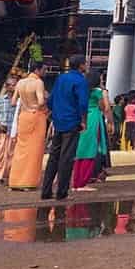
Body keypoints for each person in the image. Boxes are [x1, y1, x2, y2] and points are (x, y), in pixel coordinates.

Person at [41, 55, 90, 201]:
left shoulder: (61, 78)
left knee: (54, 156)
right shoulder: (81, 80)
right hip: (72, 121)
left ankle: (46, 190)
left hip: (59, 120)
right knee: (67, 157)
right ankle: (62, 192)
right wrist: (83, 121)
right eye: (85, 64)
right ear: (81, 65)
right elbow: (82, 103)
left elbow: (51, 100)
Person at [9, 61, 47, 191]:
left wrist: (26, 106)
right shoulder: (38, 83)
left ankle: (15, 181)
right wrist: (35, 106)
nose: (45, 72)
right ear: (38, 70)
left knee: (21, 149)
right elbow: (41, 101)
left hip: (23, 116)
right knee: (34, 150)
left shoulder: (20, 83)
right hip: (35, 116)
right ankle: (28, 182)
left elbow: (13, 102)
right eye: (44, 69)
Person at [72, 70, 113, 191]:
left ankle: (76, 182)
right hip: (94, 118)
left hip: (81, 118)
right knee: (90, 150)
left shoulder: (80, 91)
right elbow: (104, 107)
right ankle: (82, 183)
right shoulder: (98, 92)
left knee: (80, 150)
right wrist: (110, 121)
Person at [0, 77, 17, 184]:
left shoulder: (19, 101)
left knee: (11, 155)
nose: (13, 87)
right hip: (0, 131)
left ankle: (9, 176)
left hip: (13, 132)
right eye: (11, 85)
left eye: (15, 85)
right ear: (7, 86)